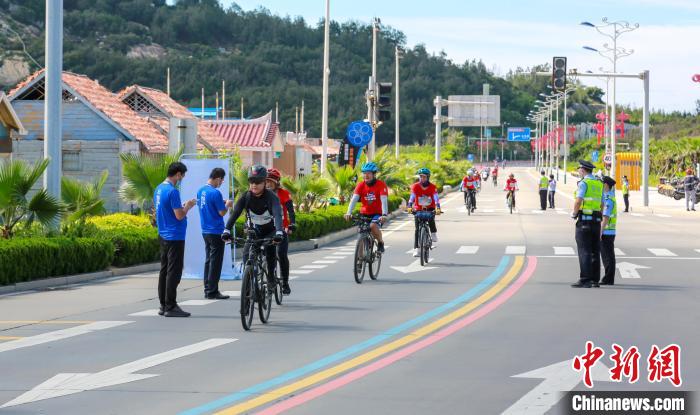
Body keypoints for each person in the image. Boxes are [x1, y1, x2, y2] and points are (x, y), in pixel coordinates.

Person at [221, 165, 284, 290]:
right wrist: (226, 230)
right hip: (254, 231)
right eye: (251, 182)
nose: (254, 185)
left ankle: (271, 277)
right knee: (246, 254)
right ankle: (250, 277)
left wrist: (279, 232)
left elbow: (277, 214)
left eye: (258, 182)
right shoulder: (246, 196)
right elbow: (235, 214)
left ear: (264, 182)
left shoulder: (271, 197)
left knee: (270, 251)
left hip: (270, 231)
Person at [154, 162, 197, 317]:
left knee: (164, 270)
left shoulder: (159, 189)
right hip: (175, 235)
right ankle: (171, 305)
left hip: (163, 233)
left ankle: (163, 304)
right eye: (182, 176)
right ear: (178, 174)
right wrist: (189, 206)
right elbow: (179, 215)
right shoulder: (173, 191)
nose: (182, 179)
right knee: (174, 271)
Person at [197, 167, 234, 300]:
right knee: (216, 262)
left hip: (205, 230)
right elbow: (221, 212)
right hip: (216, 230)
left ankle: (207, 288)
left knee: (208, 260)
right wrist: (228, 204)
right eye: (221, 181)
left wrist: (222, 202)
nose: (221, 183)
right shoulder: (215, 193)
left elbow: (209, 205)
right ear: (218, 178)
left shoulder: (201, 190)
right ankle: (213, 291)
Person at [571, 160, 604, 288]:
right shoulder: (599, 183)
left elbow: (578, 201)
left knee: (584, 250)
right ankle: (595, 280)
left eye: (579, 169)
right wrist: (599, 216)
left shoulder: (584, 183)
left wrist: (574, 214)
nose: (579, 171)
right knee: (595, 250)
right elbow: (602, 204)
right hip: (596, 221)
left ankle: (585, 279)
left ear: (583, 170)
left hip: (584, 220)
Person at [344, 162, 389, 253]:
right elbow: (354, 199)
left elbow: (384, 200)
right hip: (364, 213)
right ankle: (359, 263)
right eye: (364, 173)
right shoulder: (360, 185)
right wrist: (348, 212)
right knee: (361, 233)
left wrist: (384, 214)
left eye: (368, 173)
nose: (366, 175)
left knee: (372, 226)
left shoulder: (381, 185)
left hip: (377, 214)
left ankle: (380, 242)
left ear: (374, 174)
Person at [265, 168, 296, 295]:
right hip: (266, 229)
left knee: (282, 255)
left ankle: (285, 282)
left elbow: (290, 211)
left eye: (271, 181)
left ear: (277, 182)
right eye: (266, 181)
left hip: (281, 228)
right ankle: (270, 279)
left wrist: (292, 224)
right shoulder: (260, 194)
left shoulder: (283, 193)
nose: (268, 184)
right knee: (267, 256)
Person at [407, 168, 441, 257]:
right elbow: (412, 197)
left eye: (424, 177)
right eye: (421, 177)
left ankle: (433, 233)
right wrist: (410, 206)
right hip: (418, 209)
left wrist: (438, 207)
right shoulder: (415, 186)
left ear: (428, 177)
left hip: (429, 208)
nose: (422, 178)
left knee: (431, 220)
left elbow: (436, 198)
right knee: (417, 229)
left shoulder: (433, 187)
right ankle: (417, 249)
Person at [600, 176, 617, 286]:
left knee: (608, 256)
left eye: (602, 183)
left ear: (606, 185)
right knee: (608, 255)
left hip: (607, 231)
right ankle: (608, 278)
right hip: (609, 231)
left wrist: (600, 231)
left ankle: (608, 278)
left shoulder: (608, 199)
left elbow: (605, 217)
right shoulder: (609, 197)